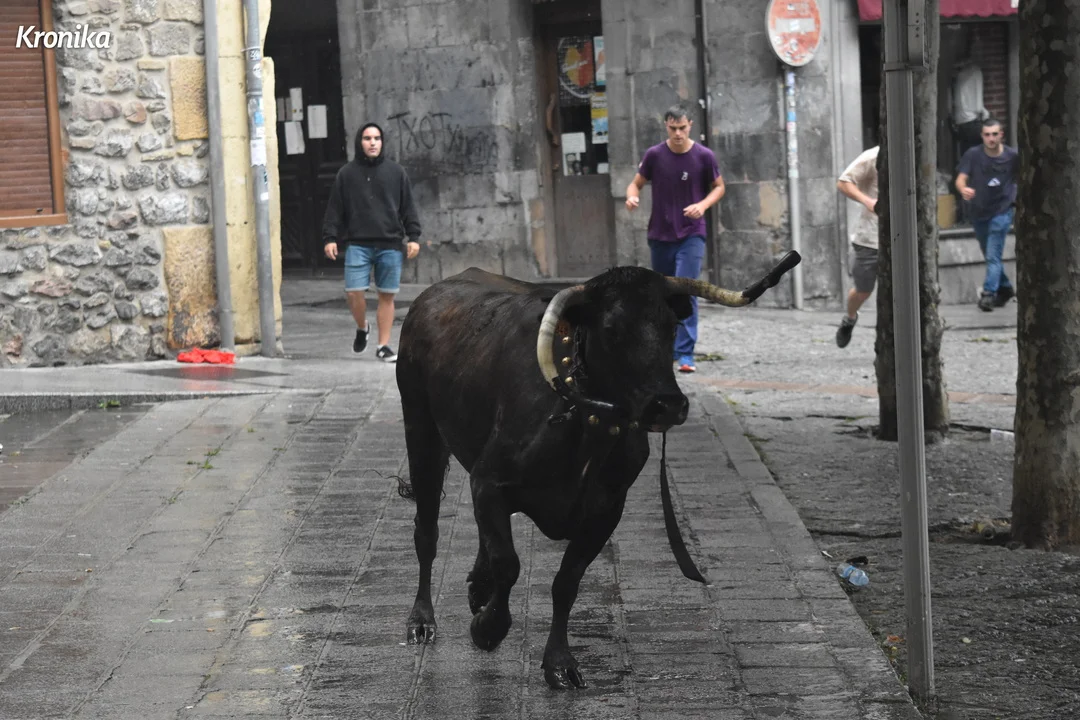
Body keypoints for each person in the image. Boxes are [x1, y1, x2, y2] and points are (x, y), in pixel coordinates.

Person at [625, 104, 725, 373]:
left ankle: (685, 353)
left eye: (682, 128)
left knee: (684, 288)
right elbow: (636, 183)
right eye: (673, 128)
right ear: (666, 126)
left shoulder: (704, 156)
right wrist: (632, 196)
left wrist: (702, 205)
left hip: (692, 233)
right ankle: (665, 348)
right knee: (664, 292)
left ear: (690, 125)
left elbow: (719, 187)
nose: (678, 133)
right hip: (660, 233)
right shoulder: (654, 155)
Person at [323, 122, 421, 362]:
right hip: (358, 243)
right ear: (360, 142)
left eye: (377, 138)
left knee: (387, 295)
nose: (373, 142)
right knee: (353, 291)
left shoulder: (396, 172)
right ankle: (362, 327)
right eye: (367, 138)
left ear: (382, 142)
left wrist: (414, 237)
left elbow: (408, 206)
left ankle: (383, 346)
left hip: (390, 243)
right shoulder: (346, 174)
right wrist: (330, 237)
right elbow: (335, 208)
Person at [956, 118, 1018, 312]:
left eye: (995, 134)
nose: (991, 138)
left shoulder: (1013, 156)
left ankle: (988, 294)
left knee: (993, 254)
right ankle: (1006, 288)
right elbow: (961, 179)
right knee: (990, 255)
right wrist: (963, 189)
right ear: (982, 136)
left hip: (1002, 211)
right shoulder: (973, 155)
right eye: (987, 135)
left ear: (1001, 135)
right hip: (979, 212)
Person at [835, 146, 880, 349]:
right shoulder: (874, 156)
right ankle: (850, 318)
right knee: (863, 291)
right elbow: (844, 182)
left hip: (905, 238)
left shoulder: (917, 153)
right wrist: (868, 201)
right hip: (870, 238)